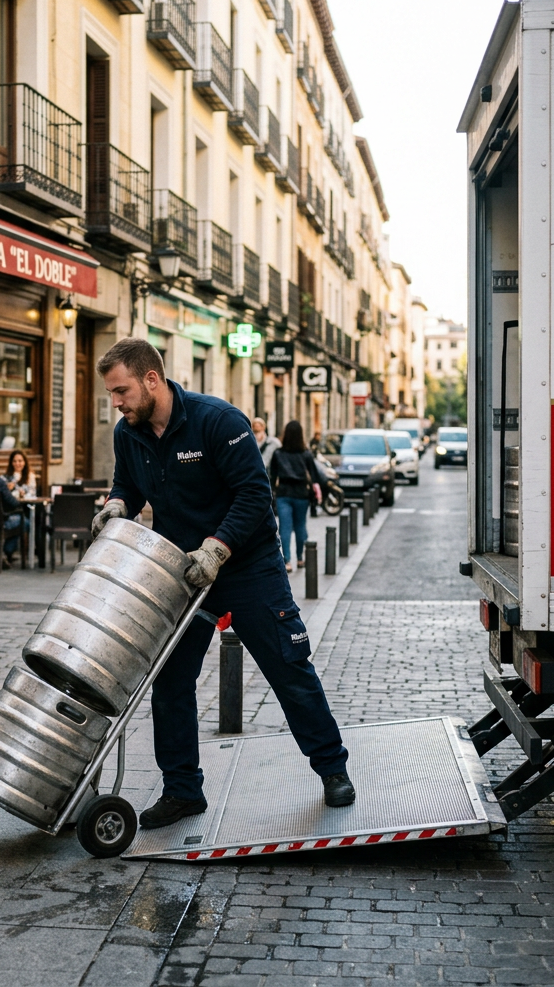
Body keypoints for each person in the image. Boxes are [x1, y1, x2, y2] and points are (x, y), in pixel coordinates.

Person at [91, 338, 353, 829]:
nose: (117, 402)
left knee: (288, 669)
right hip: (181, 573)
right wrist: (116, 505)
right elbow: (126, 482)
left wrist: (217, 548)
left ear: (152, 379)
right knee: (168, 682)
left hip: (248, 568)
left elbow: (254, 495)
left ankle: (332, 769)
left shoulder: (218, 421)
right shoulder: (129, 433)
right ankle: (183, 791)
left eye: (121, 390)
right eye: (111, 393)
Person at [270, 420, 322, 574]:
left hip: (284, 494)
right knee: (300, 526)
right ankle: (300, 558)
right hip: (301, 494)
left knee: (285, 528)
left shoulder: (278, 454)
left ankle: (287, 561)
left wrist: (272, 492)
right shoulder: (306, 454)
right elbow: (314, 476)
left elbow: (272, 476)